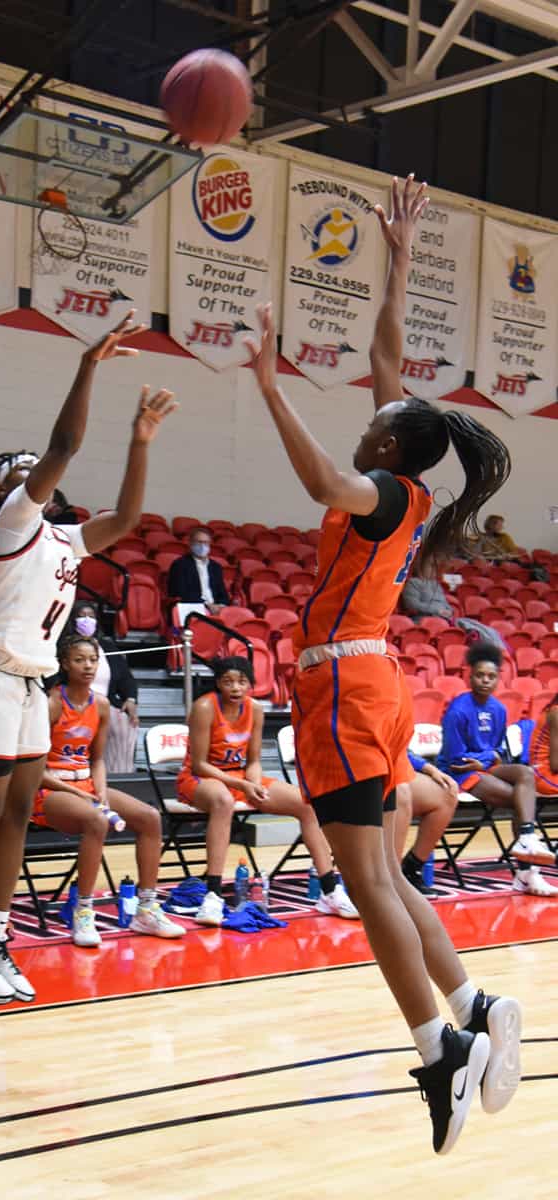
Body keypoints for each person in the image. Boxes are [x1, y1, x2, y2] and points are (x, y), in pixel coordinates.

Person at [244, 174, 523, 1155]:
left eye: (378, 414)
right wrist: (396, 258)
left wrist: (269, 387)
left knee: (365, 885)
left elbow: (318, 472)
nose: (370, 406)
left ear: (389, 443)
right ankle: (472, 1001)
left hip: (338, 690)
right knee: (388, 881)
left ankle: (438, 1055)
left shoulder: (374, 490)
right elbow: (382, 355)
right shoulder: (399, 483)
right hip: (365, 686)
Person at [0, 311, 177, 1006]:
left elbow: (129, 520)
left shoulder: (66, 542)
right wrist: (88, 365)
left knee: (17, 814)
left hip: (29, 686)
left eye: (29, 466)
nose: (28, 470)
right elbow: (65, 445)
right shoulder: (15, 520)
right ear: (6, 489)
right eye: (18, 469)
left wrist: (140, 441)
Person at [177, 655, 358, 925]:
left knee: (306, 803)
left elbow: (254, 761)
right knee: (223, 801)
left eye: (241, 682)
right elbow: (200, 765)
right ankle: (213, 896)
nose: (235, 688)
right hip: (199, 780)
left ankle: (330, 890)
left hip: (239, 777)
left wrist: (253, 782)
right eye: (228, 682)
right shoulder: (204, 707)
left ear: (250, 684)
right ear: (218, 684)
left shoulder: (255, 709)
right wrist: (243, 785)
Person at [31, 633, 184, 946]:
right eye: (79, 660)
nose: (87, 666)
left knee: (150, 817)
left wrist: (99, 790)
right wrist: (80, 795)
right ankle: (83, 913)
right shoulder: (51, 702)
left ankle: (146, 908)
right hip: (48, 789)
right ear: (63, 663)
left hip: (85, 784)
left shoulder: (100, 705)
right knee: (97, 820)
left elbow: (97, 759)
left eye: (92, 660)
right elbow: (34, 770)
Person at [435, 641, 557, 897]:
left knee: (524, 774)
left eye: (491, 676)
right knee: (521, 801)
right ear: (470, 676)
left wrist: (488, 759)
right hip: (459, 772)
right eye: (480, 675)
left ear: (498, 679)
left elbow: (499, 750)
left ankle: (526, 840)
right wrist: (485, 759)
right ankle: (526, 873)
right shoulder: (457, 711)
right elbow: (455, 757)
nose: (485, 681)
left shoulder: (499, 709)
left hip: (485, 766)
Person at [66, 600, 140, 773]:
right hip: (75, 703)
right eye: (82, 616)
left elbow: (127, 679)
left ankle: (121, 776)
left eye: (91, 616)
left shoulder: (107, 646)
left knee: (124, 721)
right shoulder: (64, 646)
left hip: (106, 704)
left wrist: (130, 699)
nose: (87, 620)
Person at [397, 750, 459, 894]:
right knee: (399, 792)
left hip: (389, 766)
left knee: (446, 793)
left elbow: (398, 746)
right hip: (350, 767)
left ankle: (410, 869)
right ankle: (388, 878)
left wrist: (428, 768)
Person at [167, 527, 229, 614]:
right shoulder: (180, 565)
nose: (202, 546)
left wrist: (221, 606)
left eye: (206, 543)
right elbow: (180, 592)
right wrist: (207, 605)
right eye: (199, 542)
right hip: (193, 608)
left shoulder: (216, 567)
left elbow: (223, 594)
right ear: (191, 543)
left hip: (216, 609)